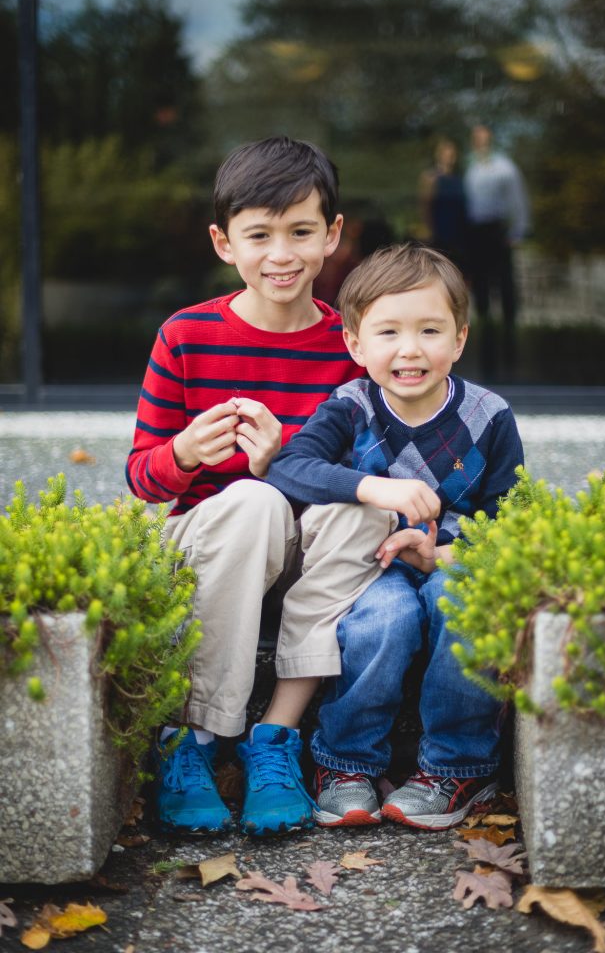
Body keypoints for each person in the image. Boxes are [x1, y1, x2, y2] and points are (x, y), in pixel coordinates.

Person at [126, 136, 395, 836]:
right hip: (214, 538)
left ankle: (273, 737)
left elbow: (365, 471)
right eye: (259, 235)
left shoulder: (351, 346)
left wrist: (285, 463)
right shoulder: (186, 336)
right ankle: (193, 737)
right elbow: (141, 481)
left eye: (301, 232)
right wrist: (183, 452)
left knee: (363, 503)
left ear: (331, 236)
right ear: (224, 243)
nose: (281, 253)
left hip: (308, 550)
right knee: (251, 499)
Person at [266, 242, 524, 830]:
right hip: (370, 567)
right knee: (383, 621)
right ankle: (345, 763)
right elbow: (289, 465)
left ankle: (459, 767)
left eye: (430, 330)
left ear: (459, 339)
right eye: (387, 333)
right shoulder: (351, 406)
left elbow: (512, 518)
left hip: (455, 560)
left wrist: (446, 554)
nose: (410, 349)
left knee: (459, 605)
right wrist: (373, 489)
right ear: (355, 344)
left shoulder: (489, 415)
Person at [463, 124, 529, 375]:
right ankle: (486, 328)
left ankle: (509, 332)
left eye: (483, 138)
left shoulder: (504, 167)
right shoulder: (470, 167)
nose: (479, 142)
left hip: (497, 229)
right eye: (475, 138)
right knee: (481, 282)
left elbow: (517, 199)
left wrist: (518, 231)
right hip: (476, 231)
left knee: (504, 281)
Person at [418, 137, 468, 267]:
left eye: (452, 154)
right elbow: (426, 206)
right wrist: (429, 231)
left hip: (459, 233)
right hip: (439, 233)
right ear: (439, 155)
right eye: (446, 154)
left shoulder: (459, 179)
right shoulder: (430, 178)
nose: (449, 157)